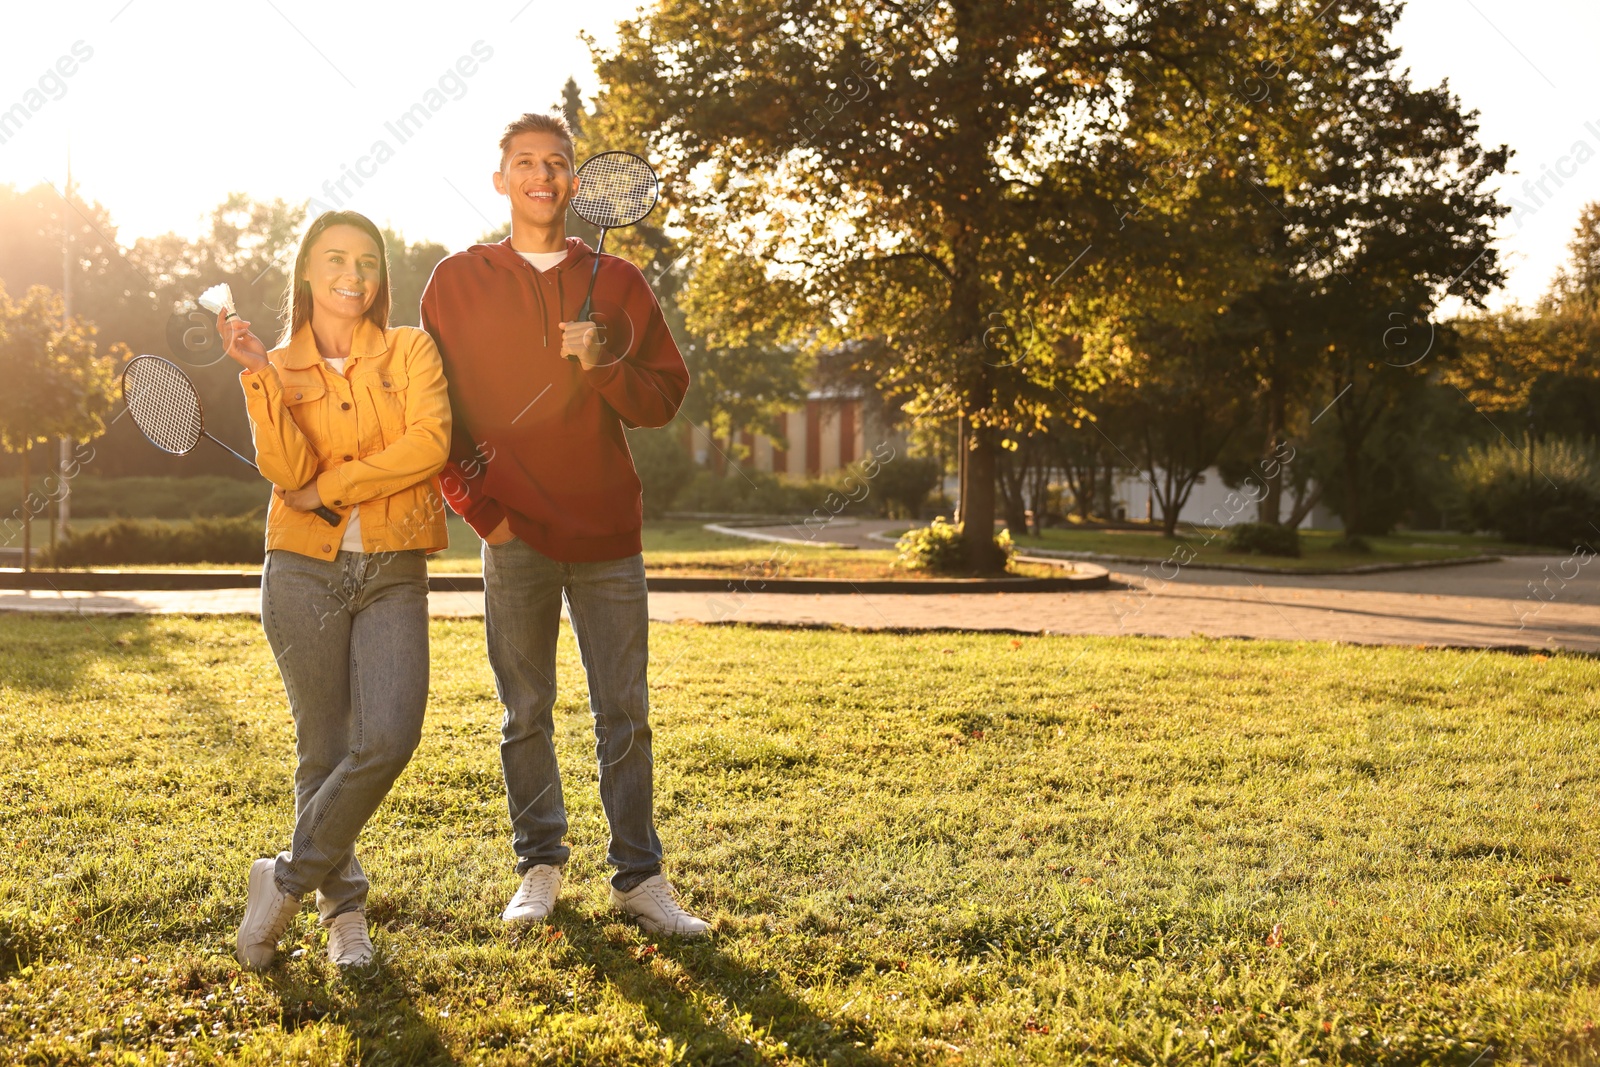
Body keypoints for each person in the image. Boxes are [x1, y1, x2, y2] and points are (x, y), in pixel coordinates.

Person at [420, 112, 705, 937]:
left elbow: (663, 396)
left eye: (556, 163)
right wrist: (482, 513)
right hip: (516, 536)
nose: (542, 176)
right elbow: (437, 415)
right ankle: (539, 865)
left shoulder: (618, 282)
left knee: (626, 710)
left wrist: (602, 364)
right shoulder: (455, 280)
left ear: (575, 184)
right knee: (526, 712)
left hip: (608, 532)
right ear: (501, 178)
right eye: (525, 162)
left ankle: (639, 876)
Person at [218, 210, 453, 969]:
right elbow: (287, 473)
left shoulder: (413, 349)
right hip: (301, 570)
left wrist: (341, 482)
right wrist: (257, 372)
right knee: (322, 747)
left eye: (368, 261)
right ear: (307, 274)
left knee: (388, 735)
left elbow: (430, 444)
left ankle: (283, 880)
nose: (354, 275)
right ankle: (344, 912)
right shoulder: (278, 363)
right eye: (336, 259)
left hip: (393, 568)